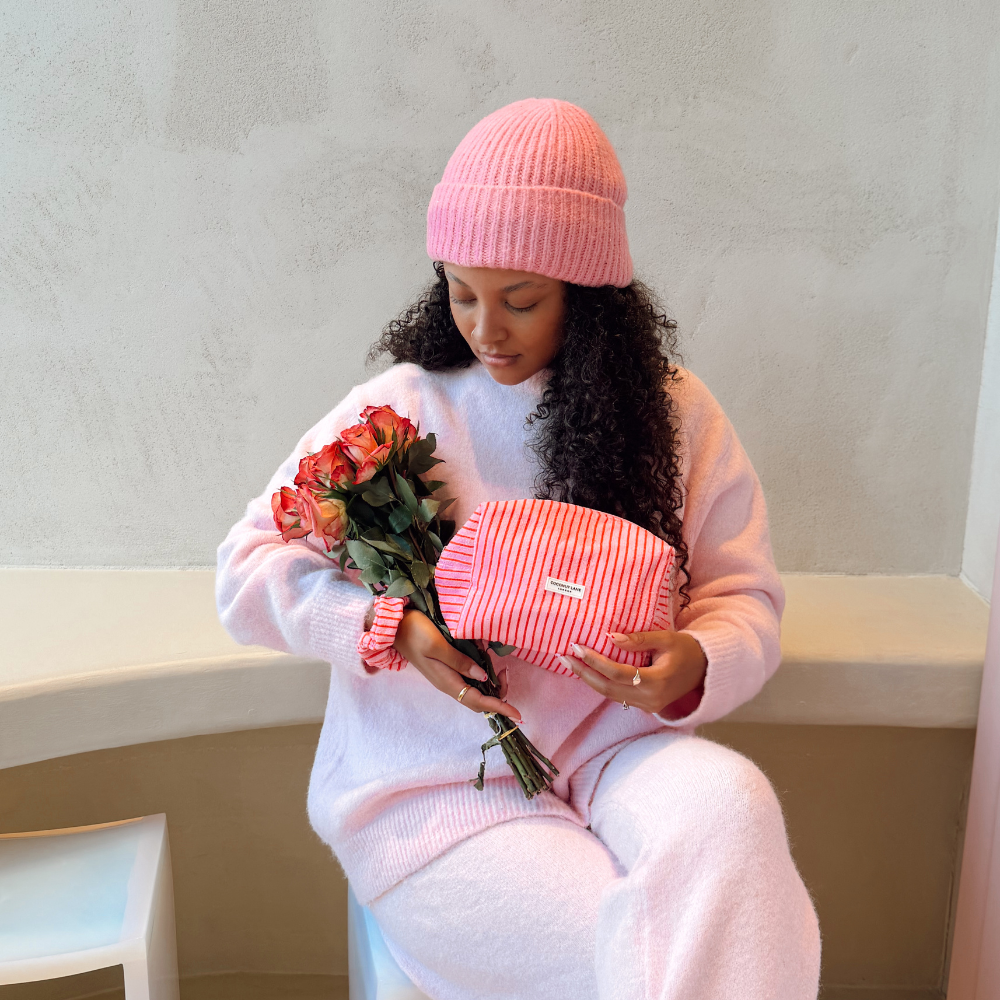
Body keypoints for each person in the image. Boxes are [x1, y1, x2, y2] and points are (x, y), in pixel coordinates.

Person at [217, 98, 821, 999]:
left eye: (521, 300)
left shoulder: (677, 414)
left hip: (618, 758)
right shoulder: (406, 406)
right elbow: (246, 569)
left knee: (734, 811)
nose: (485, 329)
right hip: (439, 792)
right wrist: (388, 627)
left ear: (589, 296)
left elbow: (744, 597)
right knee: (643, 959)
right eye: (461, 293)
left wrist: (697, 660)